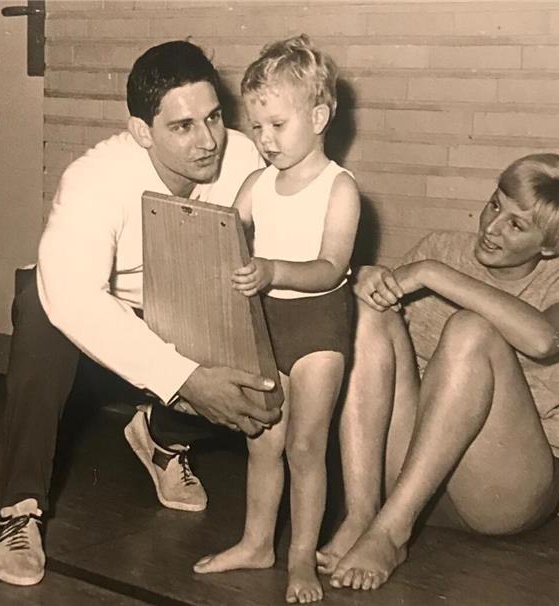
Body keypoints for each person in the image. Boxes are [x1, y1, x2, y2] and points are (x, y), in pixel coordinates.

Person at [0, 40, 282, 587]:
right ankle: (20, 511)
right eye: (184, 126)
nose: (208, 140)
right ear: (142, 131)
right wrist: (186, 379)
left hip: (178, 304)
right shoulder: (94, 178)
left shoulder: (243, 157)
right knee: (39, 308)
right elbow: (72, 297)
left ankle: (161, 440)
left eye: (214, 117)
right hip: (88, 314)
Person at [318, 153, 559, 591]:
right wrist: (362, 281)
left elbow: (544, 339)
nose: (491, 227)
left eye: (516, 224)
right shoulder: (444, 246)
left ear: (548, 244)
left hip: (503, 490)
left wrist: (433, 274)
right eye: (496, 205)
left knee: (471, 330)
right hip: (413, 476)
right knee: (368, 308)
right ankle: (362, 516)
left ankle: (390, 532)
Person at [192, 35, 360, 604]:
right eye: (257, 128)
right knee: (263, 442)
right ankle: (256, 542)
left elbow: (330, 267)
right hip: (265, 323)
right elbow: (224, 236)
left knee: (306, 448)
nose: (264, 141)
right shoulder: (256, 183)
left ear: (319, 117)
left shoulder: (340, 189)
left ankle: (300, 560)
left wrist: (270, 270)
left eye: (277, 126)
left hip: (317, 327)